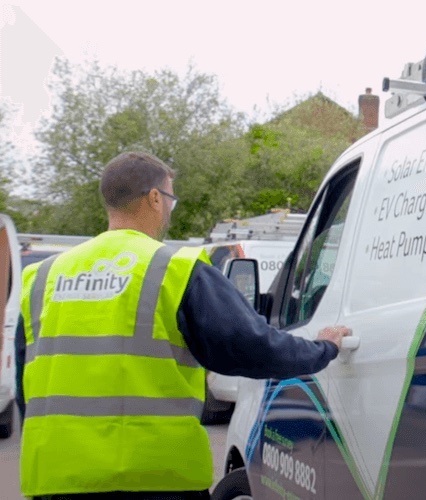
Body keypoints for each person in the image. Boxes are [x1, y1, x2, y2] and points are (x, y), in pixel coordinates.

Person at [14, 151, 352, 499]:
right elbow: (252, 347)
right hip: (153, 479)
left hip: (57, 478)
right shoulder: (174, 268)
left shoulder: (43, 277)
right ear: (155, 198)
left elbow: (26, 385)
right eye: (170, 199)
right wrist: (323, 347)